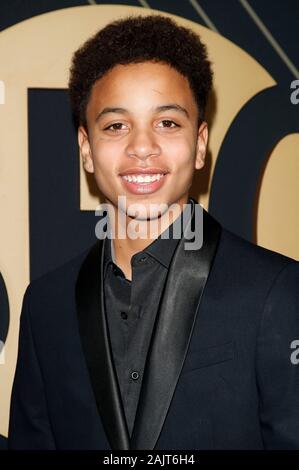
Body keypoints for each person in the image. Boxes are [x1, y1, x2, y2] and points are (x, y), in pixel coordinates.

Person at [8, 14, 299, 450]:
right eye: (116, 126)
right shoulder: (46, 305)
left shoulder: (277, 292)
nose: (142, 147)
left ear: (200, 144)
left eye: (167, 122)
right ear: (86, 150)